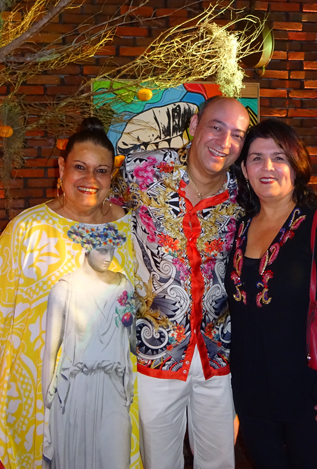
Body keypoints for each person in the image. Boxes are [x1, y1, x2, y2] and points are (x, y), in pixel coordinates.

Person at [0, 118, 141, 469]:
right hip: (39, 396)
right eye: (80, 167)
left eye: (101, 170)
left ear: (112, 177)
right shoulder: (27, 230)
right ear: (61, 169)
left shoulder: (132, 231)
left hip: (112, 393)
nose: (90, 179)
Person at [225, 118, 317, 468]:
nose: (267, 167)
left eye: (279, 157)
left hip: (314, 397)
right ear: (244, 169)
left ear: (296, 165)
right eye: (256, 158)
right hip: (254, 400)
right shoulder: (238, 228)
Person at [112, 96, 250, 469]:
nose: (224, 142)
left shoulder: (245, 193)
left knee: (219, 461)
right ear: (193, 126)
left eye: (237, 135)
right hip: (155, 352)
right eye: (216, 127)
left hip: (219, 355)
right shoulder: (141, 172)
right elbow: (102, 217)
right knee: (159, 462)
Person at [42, 224, 136, 469]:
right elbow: (50, 349)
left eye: (112, 250)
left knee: (116, 458)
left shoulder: (123, 286)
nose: (108, 257)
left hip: (112, 385)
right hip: (75, 385)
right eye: (102, 250)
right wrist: (47, 397)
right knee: (75, 460)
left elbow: (133, 341)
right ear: (86, 247)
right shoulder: (65, 289)